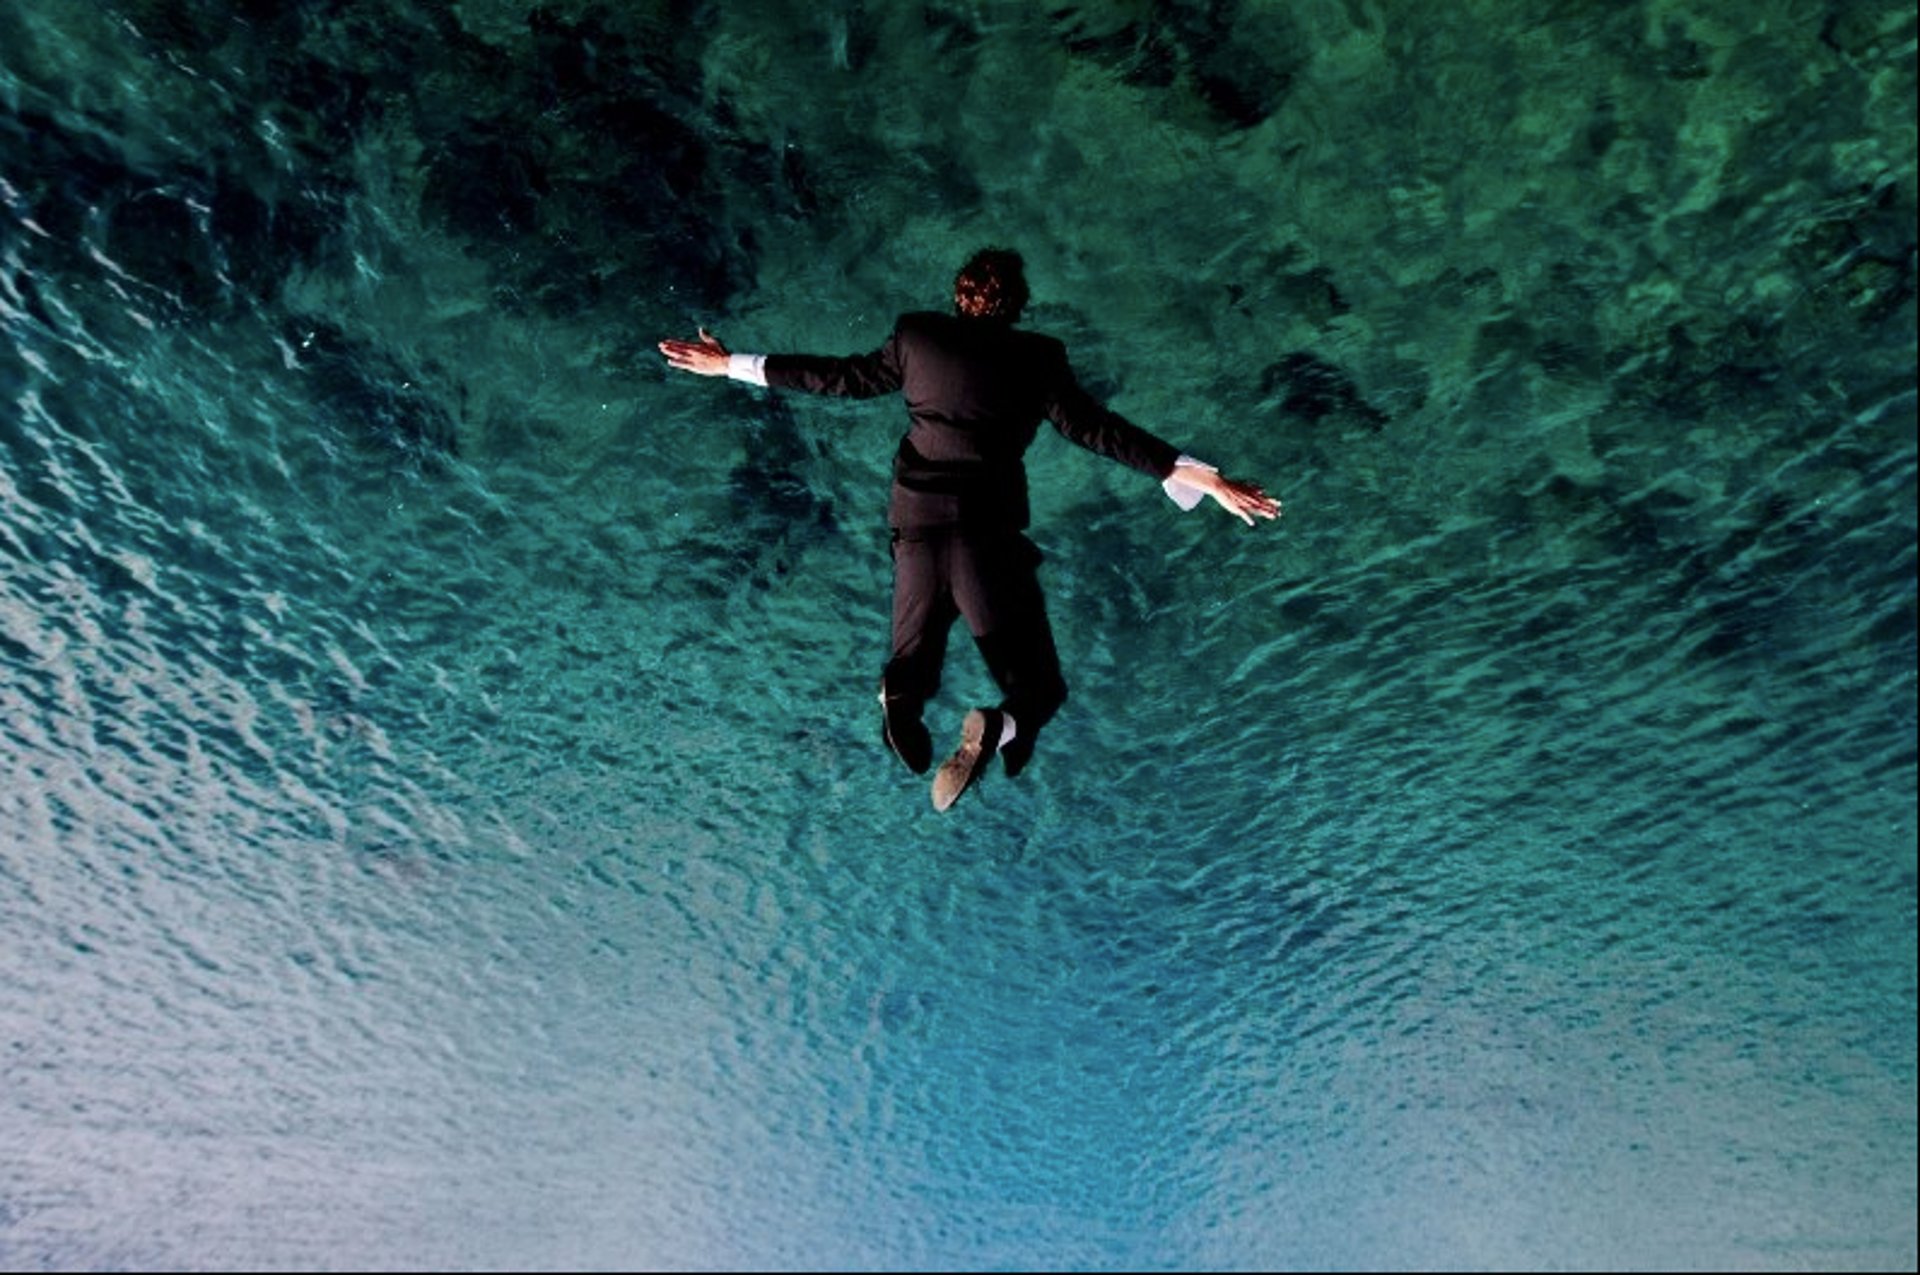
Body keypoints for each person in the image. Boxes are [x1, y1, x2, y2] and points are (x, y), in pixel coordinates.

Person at [659, 247, 1280, 811]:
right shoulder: (1040, 358)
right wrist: (1204, 478)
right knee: (1037, 689)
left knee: (912, 658)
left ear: (959, 294)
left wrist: (729, 365)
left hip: (918, 522)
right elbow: (1099, 430)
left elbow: (839, 378)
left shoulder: (916, 335)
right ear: (1017, 306)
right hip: (988, 536)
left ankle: (901, 699)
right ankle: (1002, 727)